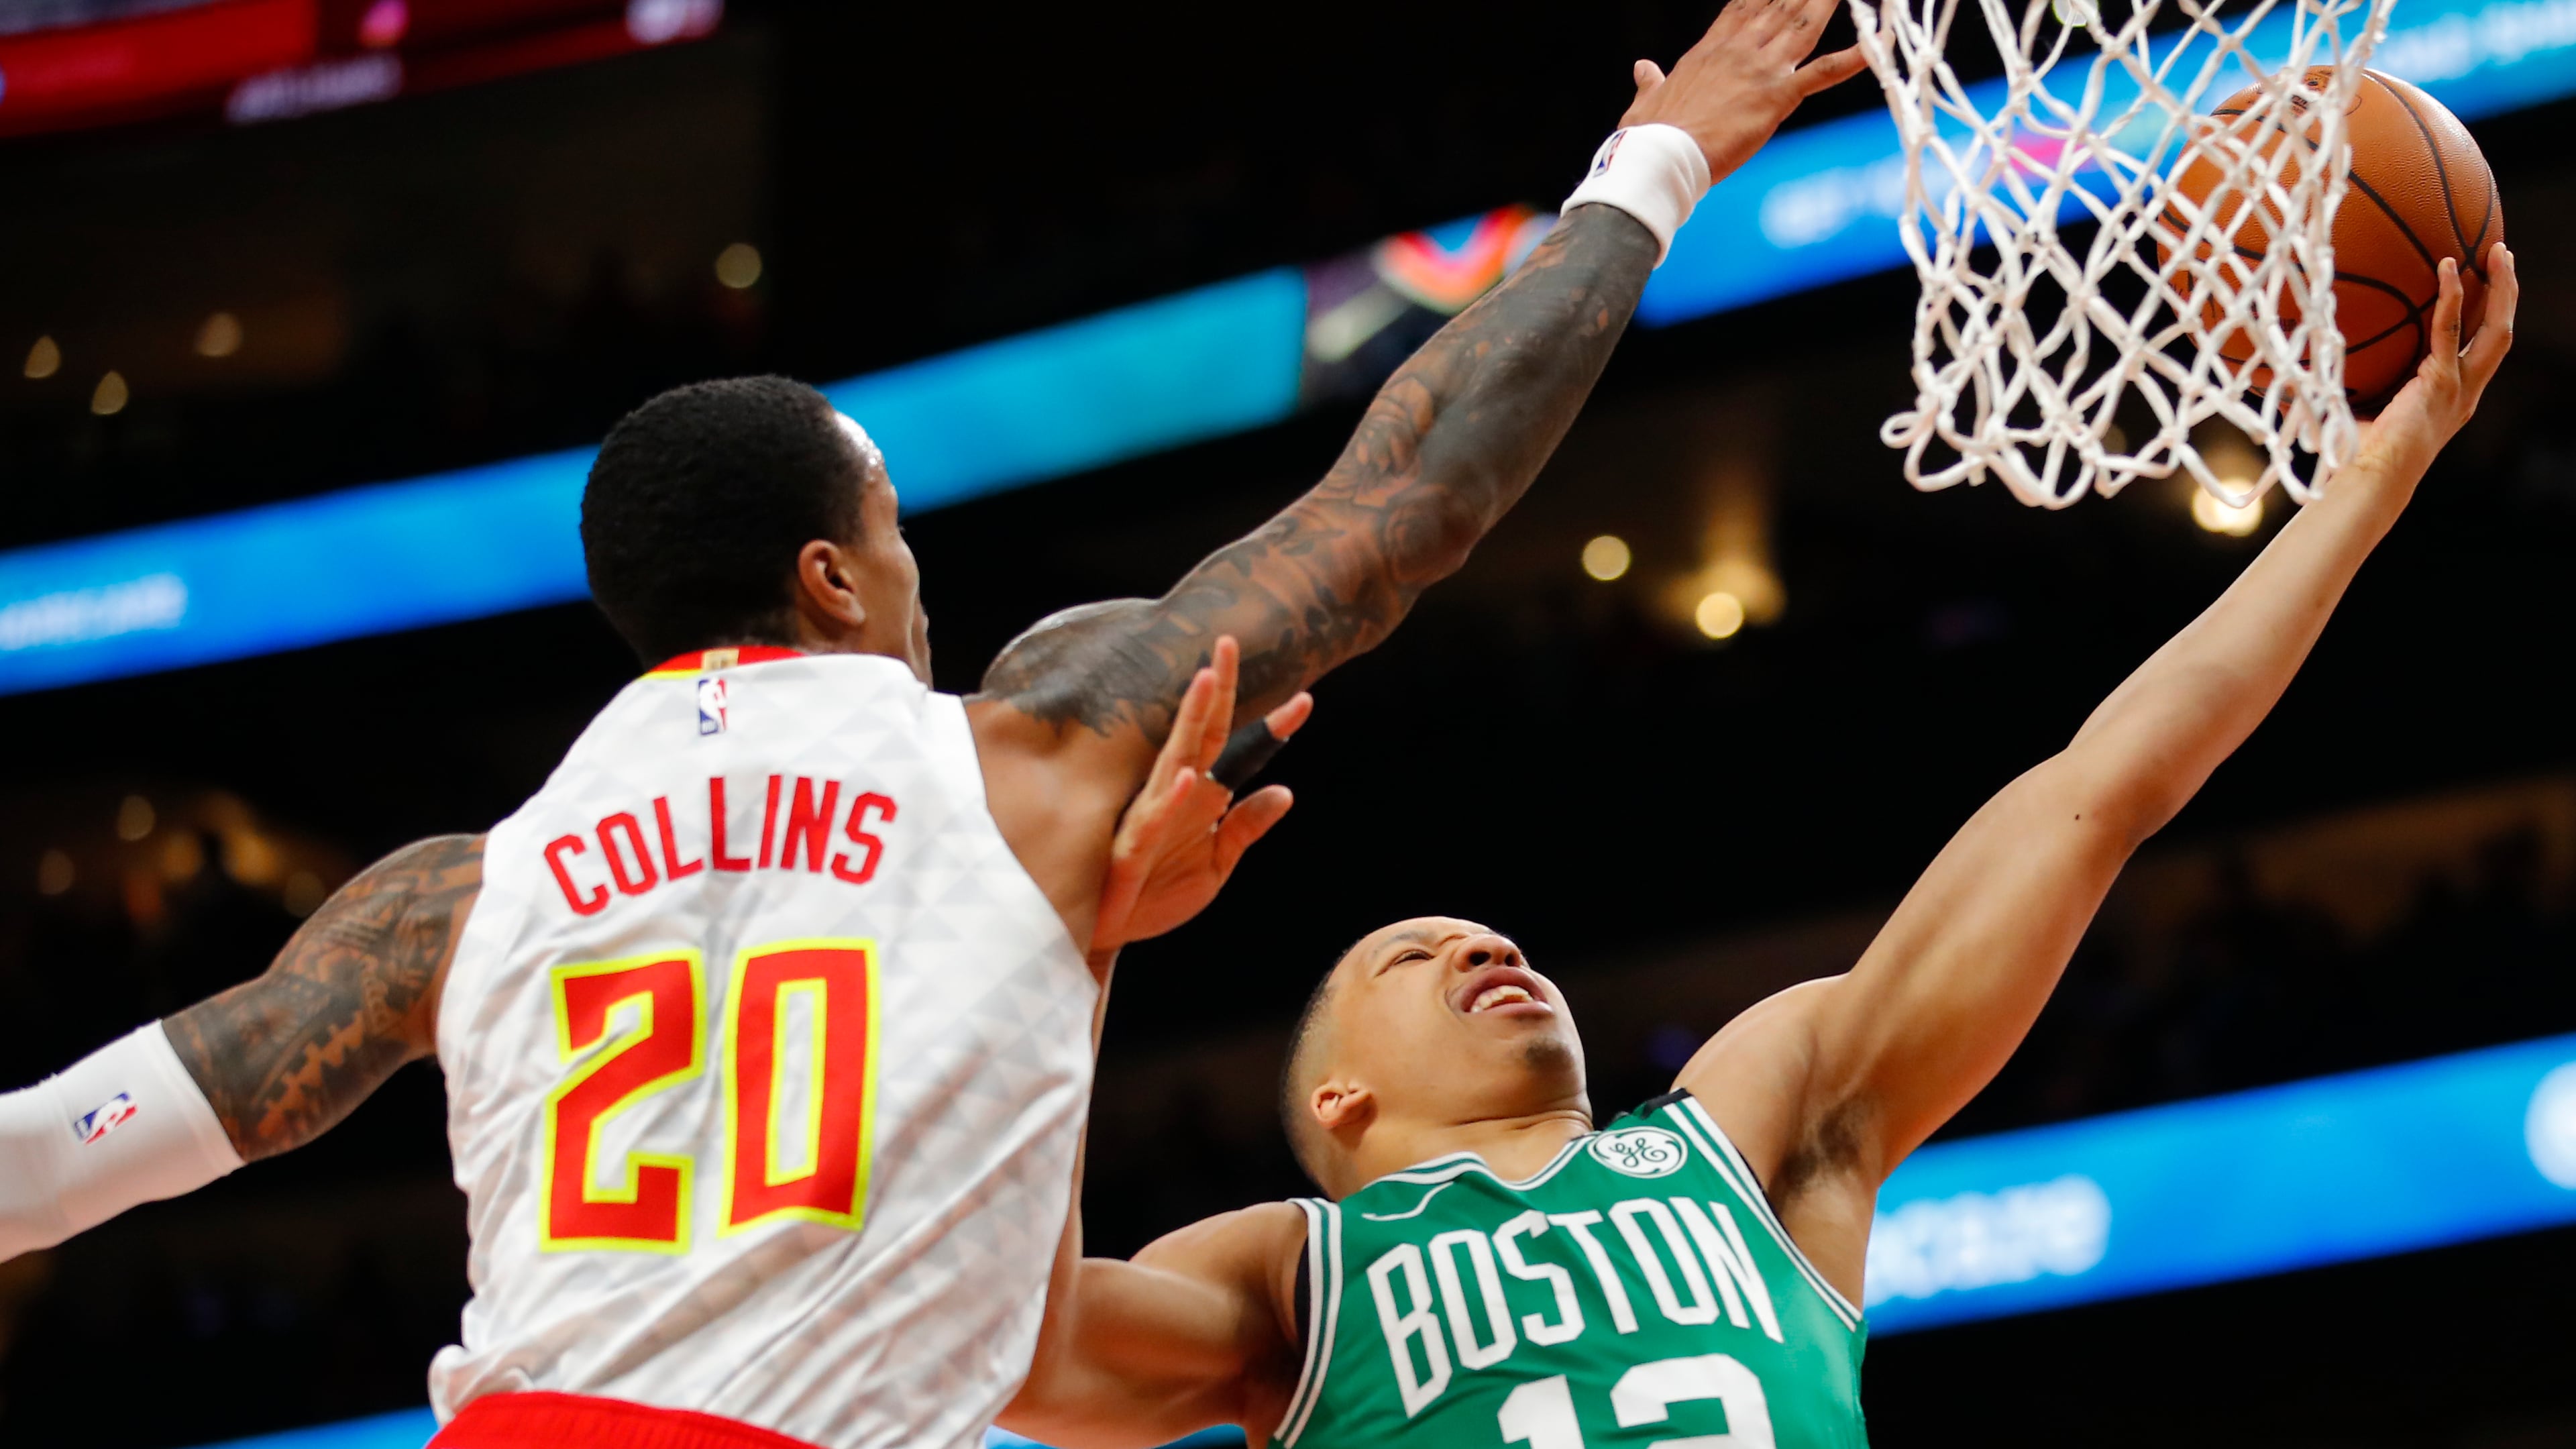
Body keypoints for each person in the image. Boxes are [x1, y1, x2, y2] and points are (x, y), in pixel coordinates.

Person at [0, 2, 1868, 1441]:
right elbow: (1415, 493)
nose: (915, 580)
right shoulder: (1027, 755)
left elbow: (57, 1159)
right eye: (893, 534)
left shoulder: (450, 899)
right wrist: (1656, 160)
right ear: (830, 577)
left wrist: (1070, 955)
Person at [999, 249, 2520, 1449]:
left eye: (1493, 938)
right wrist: (1085, 934)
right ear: (1341, 1097)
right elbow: (1014, 1341)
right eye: (1420, 952)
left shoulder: (1754, 1133)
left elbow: (2097, 791)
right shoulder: (1289, 1271)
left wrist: (2368, 490)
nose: (1490, 946)